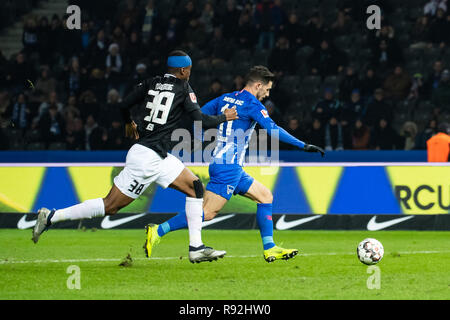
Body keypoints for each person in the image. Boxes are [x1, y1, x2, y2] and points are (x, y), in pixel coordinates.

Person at [32, 50, 238, 264]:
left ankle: (196, 247)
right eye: (190, 71)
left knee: (194, 186)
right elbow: (201, 121)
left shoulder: (152, 82)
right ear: (183, 70)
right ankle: (51, 217)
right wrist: (225, 117)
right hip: (148, 159)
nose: (190, 74)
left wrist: (129, 123)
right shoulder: (184, 88)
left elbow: (123, 104)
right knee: (110, 206)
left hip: (158, 155)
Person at [143, 66, 324, 263]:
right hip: (228, 168)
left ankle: (270, 248)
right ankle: (158, 230)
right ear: (258, 85)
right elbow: (273, 130)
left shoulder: (225, 98)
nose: (267, 94)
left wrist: (204, 134)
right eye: (267, 89)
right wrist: (302, 145)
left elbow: (200, 114)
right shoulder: (253, 105)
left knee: (264, 196)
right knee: (207, 213)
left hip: (227, 165)